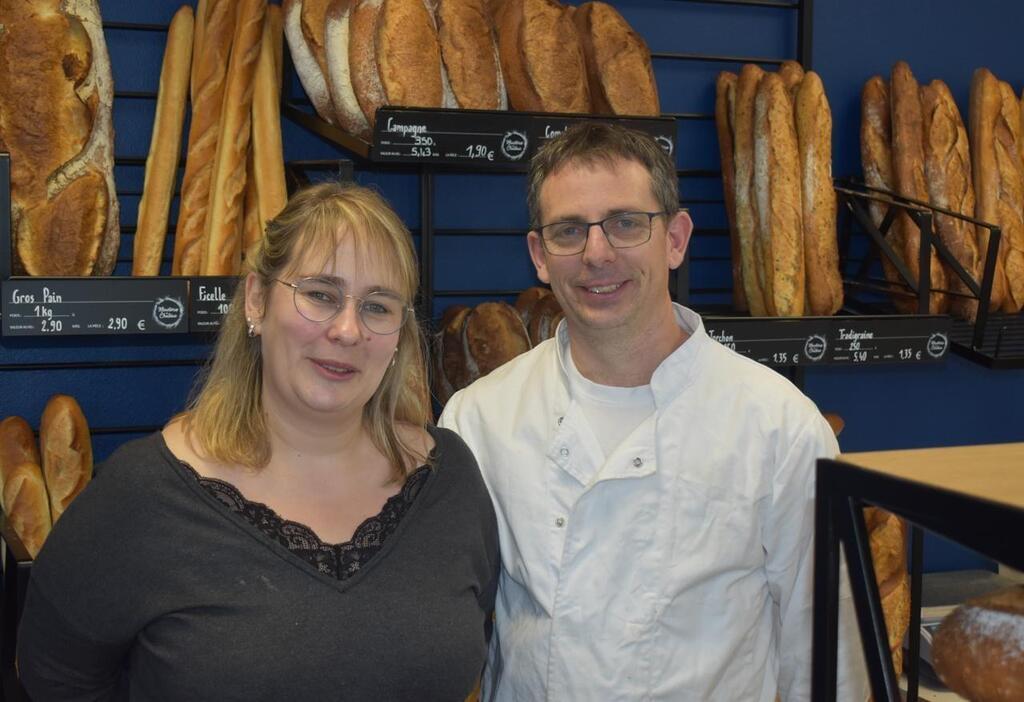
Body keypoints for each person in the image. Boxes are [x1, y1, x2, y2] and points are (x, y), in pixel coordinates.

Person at [18, 182, 499, 701]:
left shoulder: (448, 477)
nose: (347, 329)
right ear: (256, 300)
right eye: (320, 294)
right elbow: (54, 677)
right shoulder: (144, 494)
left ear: (400, 333)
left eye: (378, 307)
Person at [438, 123, 868, 700]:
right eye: (568, 230)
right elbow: (446, 628)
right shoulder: (479, 420)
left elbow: (827, 664)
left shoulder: (781, 428)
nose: (597, 253)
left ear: (676, 238)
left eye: (625, 223)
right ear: (540, 255)